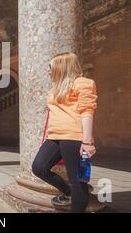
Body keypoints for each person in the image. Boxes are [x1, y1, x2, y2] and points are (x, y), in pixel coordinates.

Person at [31, 52, 98, 213]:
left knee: (78, 180)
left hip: (74, 137)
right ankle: (68, 192)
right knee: (39, 168)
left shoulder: (83, 83)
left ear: (62, 67)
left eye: (50, 67)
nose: (48, 71)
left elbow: (87, 111)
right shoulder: (57, 87)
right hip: (54, 136)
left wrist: (87, 141)